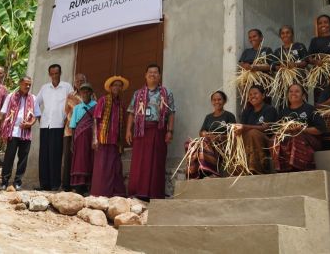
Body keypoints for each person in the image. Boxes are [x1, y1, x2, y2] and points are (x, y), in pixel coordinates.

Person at [126, 64, 176, 200]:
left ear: (159, 76)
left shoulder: (166, 93)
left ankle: (153, 193)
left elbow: (171, 113)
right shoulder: (138, 93)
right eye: (150, 72)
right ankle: (136, 191)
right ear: (145, 75)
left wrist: (170, 131)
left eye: (155, 72)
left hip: (158, 130)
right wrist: (128, 131)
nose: (152, 74)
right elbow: (131, 113)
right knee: (139, 161)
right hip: (140, 131)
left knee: (155, 161)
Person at [36, 64, 74, 190]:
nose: (54, 76)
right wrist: (39, 117)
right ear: (49, 74)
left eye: (56, 73)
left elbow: (72, 104)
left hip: (59, 125)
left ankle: (55, 184)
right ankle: (44, 184)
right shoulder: (45, 88)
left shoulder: (67, 87)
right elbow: (36, 103)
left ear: (60, 73)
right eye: (52, 74)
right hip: (45, 125)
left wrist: (66, 120)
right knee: (44, 155)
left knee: (56, 155)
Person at [0, 76, 39, 190]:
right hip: (12, 131)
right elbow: (3, 112)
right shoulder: (11, 96)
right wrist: (1, 129)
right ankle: (4, 182)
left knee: (23, 159)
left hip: (25, 134)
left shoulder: (33, 98)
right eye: (25, 84)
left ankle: (17, 182)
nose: (28, 86)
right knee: (9, 158)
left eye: (29, 84)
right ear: (20, 83)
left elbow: (36, 115)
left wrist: (30, 123)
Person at [91, 75, 129, 197]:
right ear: (110, 87)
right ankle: (100, 193)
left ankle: (116, 193)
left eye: (119, 85)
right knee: (102, 168)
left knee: (116, 168)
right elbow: (96, 119)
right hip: (103, 139)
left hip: (115, 141)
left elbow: (122, 125)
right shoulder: (103, 100)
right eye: (115, 85)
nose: (117, 87)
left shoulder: (121, 104)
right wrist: (95, 138)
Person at [273, 83, 325, 171]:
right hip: (289, 138)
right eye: (291, 92)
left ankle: (298, 166)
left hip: (310, 140)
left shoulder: (310, 109)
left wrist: (302, 129)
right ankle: (282, 167)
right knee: (274, 140)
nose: (293, 94)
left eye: (297, 91)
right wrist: (286, 130)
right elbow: (277, 130)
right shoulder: (283, 112)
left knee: (296, 135)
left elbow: (320, 129)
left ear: (303, 95)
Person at [185, 90, 236, 178]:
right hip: (208, 141)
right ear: (212, 101)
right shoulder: (208, 117)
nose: (217, 102)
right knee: (190, 144)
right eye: (214, 100)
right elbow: (201, 132)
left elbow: (233, 135)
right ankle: (194, 173)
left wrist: (218, 137)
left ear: (224, 101)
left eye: (219, 99)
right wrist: (204, 133)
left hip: (222, 143)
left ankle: (210, 171)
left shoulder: (229, 116)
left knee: (204, 143)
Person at [234, 84, 278, 175]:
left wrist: (245, 127)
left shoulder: (269, 109)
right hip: (249, 141)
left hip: (266, 141)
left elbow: (265, 128)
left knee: (253, 133)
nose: (252, 96)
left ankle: (257, 167)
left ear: (263, 96)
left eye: (255, 93)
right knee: (235, 137)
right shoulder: (246, 112)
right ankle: (239, 169)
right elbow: (242, 128)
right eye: (250, 94)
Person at [68, 82, 97, 194]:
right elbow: (73, 125)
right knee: (79, 160)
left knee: (90, 159)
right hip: (79, 138)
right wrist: (72, 141)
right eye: (82, 92)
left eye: (87, 91)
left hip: (91, 137)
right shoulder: (77, 108)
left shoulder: (96, 105)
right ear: (80, 94)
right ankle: (79, 186)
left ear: (91, 93)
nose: (85, 94)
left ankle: (89, 185)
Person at [62, 73, 88, 191]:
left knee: (82, 158)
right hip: (70, 131)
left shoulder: (90, 95)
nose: (79, 83)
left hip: (85, 132)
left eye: (82, 81)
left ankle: (80, 186)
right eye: (77, 81)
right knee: (68, 157)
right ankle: (66, 185)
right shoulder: (70, 96)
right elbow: (66, 111)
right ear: (74, 83)